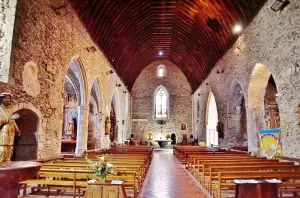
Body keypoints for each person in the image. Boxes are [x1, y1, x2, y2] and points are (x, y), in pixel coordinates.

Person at [0, 92, 20, 162]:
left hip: (10, 134)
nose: (8, 99)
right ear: (2, 99)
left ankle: (7, 165)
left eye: (9, 98)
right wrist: (10, 118)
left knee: (10, 150)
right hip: (2, 134)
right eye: (6, 98)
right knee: (3, 150)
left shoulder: (8, 110)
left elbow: (13, 121)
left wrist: (17, 129)